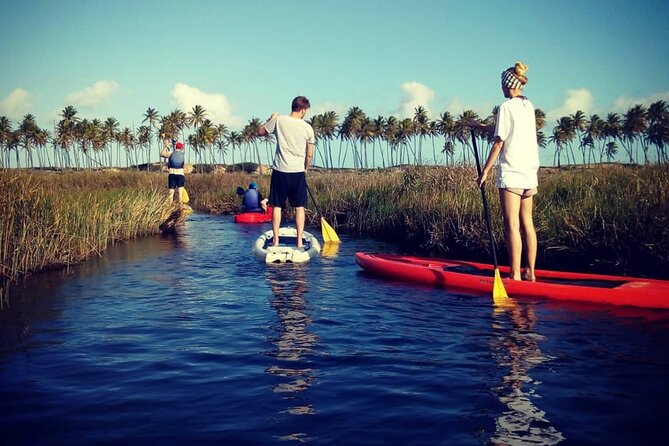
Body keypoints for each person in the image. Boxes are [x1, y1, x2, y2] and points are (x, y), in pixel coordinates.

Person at [470, 61, 539, 281]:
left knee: (512, 225)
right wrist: (481, 127)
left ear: (508, 86)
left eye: (502, 84)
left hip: (512, 173)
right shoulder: (528, 106)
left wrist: (485, 172)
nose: (501, 88)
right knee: (527, 223)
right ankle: (530, 272)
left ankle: (515, 275)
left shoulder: (505, 107)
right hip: (529, 174)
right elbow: (503, 129)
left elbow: (499, 141)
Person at [257, 96, 315, 248]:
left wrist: (272, 118)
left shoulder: (279, 120)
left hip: (280, 170)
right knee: (299, 207)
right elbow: (309, 154)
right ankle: (299, 241)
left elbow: (260, 132)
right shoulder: (308, 127)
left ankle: (275, 241)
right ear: (303, 110)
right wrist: (305, 168)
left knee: (276, 206)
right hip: (297, 172)